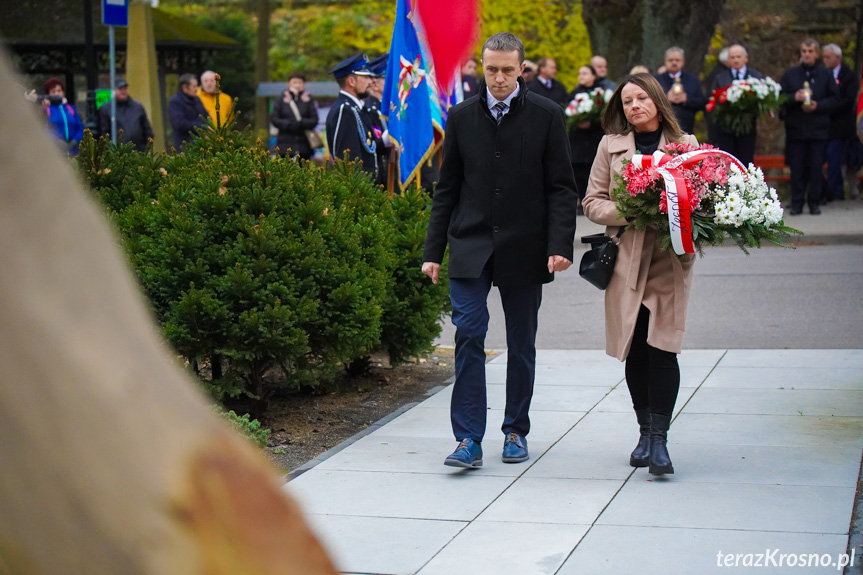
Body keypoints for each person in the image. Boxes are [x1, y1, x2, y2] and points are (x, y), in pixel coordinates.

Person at [422, 32, 578, 469]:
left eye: (508, 70)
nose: (499, 78)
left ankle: (515, 430)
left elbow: (562, 188)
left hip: (525, 247)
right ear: (482, 67)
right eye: (491, 69)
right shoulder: (460, 117)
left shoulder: (548, 116)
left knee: (520, 341)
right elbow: (446, 188)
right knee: (468, 332)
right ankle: (468, 438)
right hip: (470, 244)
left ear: (522, 70)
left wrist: (559, 244)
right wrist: (432, 251)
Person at [583, 73, 698, 476]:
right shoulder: (609, 147)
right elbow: (592, 202)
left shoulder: (686, 146)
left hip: (668, 259)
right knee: (636, 345)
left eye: (641, 98)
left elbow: (700, 199)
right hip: (625, 258)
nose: (634, 106)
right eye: (627, 101)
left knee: (663, 346)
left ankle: (661, 442)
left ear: (657, 101)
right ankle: (645, 433)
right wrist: (629, 210)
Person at [780, 39, 840, 215]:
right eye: (804, 51)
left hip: (817, 129)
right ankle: (797, 202)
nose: (807, 54)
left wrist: (818, 105)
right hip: (796, 130)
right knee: (796, 168)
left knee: (816, 167)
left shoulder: (825, 75)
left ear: (816, 54)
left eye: (810, 51)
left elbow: (835, 99)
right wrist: (794, 98)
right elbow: (779, 97)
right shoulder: (790, 74)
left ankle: (814, 202)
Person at [325, 53, 389, 181]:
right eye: (366, 77)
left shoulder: (357, 109)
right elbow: (348, 162)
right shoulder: (345, 110)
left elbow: (368, 150)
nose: (371, 81)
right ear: (351, 81)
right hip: (359, 191)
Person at [709, 44, 763, 167]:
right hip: (726, 130)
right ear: (728, 60)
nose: (736, 60)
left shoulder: (756, 77)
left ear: (746, 58)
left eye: (738, 57)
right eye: (732, 57)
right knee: (727, 164)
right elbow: (713, 102)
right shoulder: (720, 78)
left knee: (746, 163)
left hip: (747, 131)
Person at [821, 43, 861, 202]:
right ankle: (827, 191)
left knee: (836, 159)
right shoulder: (822, 74)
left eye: (828, 57)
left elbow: (849, 100)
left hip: (841, 127)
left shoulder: (849, 75)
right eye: (824, 57)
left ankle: (836, 191)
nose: (825, 60)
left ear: (837, 58)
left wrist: (827, 106)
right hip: (823, 125)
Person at [567, 64, 606, 215]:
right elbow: (567, 111)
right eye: (579, 74)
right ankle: (581, 200)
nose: (581, 76)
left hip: (594, 137)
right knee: (578, 172)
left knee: (594, 170)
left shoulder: (601, 93)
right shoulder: (574, 93)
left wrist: (592, 121)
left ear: (593, 76)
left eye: (585, 73)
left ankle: (595, 200)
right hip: (578, 139)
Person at [654, 47, 706, 135]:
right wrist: (666, 99)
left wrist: (686, 99)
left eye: (677, 60)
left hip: (687, 128)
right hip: (662, 129)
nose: (674, 63)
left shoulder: (693, 80)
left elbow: (701, 102)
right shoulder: (656, 80)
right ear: (665, 61)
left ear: (683, 61)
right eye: (671, 60)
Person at [96, 77, 154, 152]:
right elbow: (104, 132)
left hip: (138, 151)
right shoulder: (106, 109)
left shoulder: (138, 107)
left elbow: (147, 129)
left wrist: (146, 148)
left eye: (125, 88)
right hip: (117, 153)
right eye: (120, 89)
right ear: (114, 90)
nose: (123, 91)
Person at [270, 72, 318, 161]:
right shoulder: (281, 99)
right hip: (285, 144)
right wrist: (288, 124)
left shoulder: (308, 100)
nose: (297, 85)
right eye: (294, 82)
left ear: (304, 84)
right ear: (289, 83)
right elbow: (274, 118)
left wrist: (301, 123)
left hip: (304, 144)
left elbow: (314, 119)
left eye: (300, 82)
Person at [37, 77, 84, 156]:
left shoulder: (70, 108)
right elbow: (43, 128)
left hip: (73, 151)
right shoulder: (46, 109)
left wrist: (74, 141)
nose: (57, 94)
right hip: (55, 152)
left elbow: (80, 128)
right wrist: (57, 141)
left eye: (59, 91)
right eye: (53, 91)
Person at [366, 53, 390, 186]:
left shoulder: (386, 107)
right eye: (387, 78)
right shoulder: (371, 109)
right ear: (374, 84)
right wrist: (384, 141)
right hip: (379, 172)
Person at [168, 73, 208, 151]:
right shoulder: (176, 102)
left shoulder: (196, 99)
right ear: (185, 88)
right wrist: (202, 127)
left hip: (201, 144)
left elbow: (206, 116)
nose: (197, 89)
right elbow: (180, 124)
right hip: (185, 145)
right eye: (194, 86)